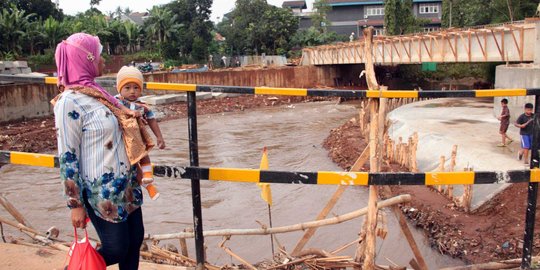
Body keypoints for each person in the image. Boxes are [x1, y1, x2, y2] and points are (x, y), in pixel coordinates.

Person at [53, 33, 150, 269]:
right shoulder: (69, 101)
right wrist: (75, 203)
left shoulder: (99, 95)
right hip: (101, 192)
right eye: (99, 56)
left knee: (134, 240)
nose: (103, 61)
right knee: (116, 248)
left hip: (125, 185)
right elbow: (67, 156)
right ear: (84, 59)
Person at [115, 66, 166, 200]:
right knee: (133, 167)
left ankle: (148, 178)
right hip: (120, 142)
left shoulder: (142, 107)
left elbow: (152, 120)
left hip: (136, 140)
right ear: (119, 88)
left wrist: (159, 137)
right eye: (127, 88)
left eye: (136, 88)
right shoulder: (114, 102)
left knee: (143, 155)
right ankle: (149, 188)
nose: (132, 91)